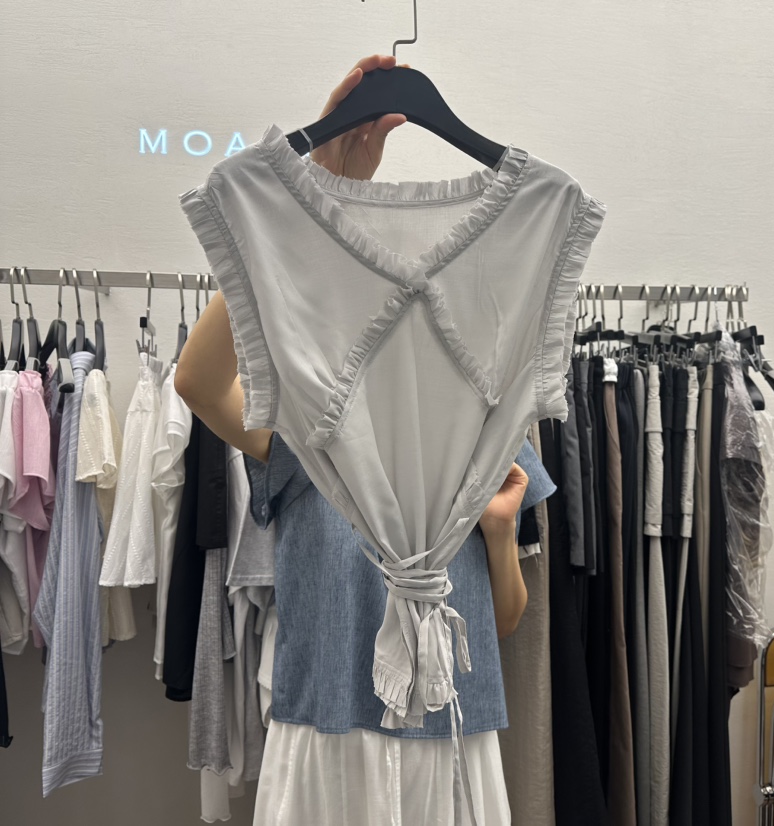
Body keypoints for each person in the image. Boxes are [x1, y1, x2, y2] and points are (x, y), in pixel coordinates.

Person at [174, 53, 556, 825]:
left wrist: (498, 531)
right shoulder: (315, 427)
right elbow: (199, 383)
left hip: (453, 731)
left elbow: (506, 619)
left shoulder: (484, 422)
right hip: (328, 729)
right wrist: (313, 198)